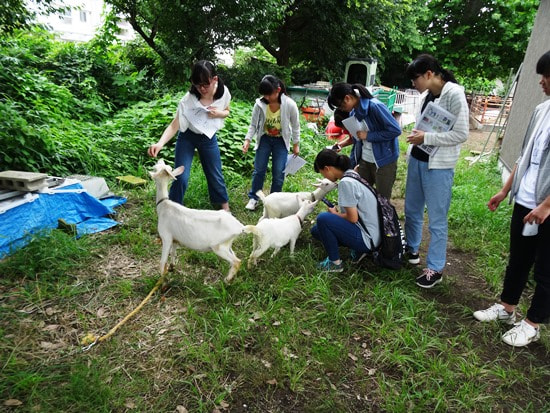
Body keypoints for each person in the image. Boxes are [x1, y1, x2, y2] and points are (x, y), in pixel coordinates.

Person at [473, 50, 550, 347]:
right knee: (518, 258)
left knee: (546, 267)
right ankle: (507, 308)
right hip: (525, 199)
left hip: (547, 208)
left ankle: (532, 324)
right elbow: (524, 155)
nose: (541, 81)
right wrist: (506, 189)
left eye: (546, 76)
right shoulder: (541, 110)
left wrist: (546, 206)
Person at [403, 54, 469, 288]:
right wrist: (418, 136)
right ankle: (411, 250)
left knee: (437, 220)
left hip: (439, 167)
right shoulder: (428, 96)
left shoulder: (454, 93)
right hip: (418, 160)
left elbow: (461, 134)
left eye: (416, 79)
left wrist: (426, 137)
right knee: (412, 210)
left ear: (429, 74)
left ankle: (435, 268)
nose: (414, 84)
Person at [148, 60, 231, 211]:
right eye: (197, 85)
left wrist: (219, 113)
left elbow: (227, 110)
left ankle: (225, 210)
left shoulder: (223, 93)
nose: (202, 89)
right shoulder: (188, 100)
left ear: (215, 79)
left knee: (215, 174)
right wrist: (160, 143)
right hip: (187, 137)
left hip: (208, 137)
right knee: (180, 176)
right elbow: (175, 125)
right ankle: (172, 209)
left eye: (205, 84)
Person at [326, 82, 401, 200]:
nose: (341, 109)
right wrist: (343, 145)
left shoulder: (375, 107)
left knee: (382, 200)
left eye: (341, 106)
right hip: (364, 160)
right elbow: (357, 137)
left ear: (347, 98)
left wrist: (369, 136)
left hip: (384, 162)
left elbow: (395, 130)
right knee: (363, 197)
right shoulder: (353, 112)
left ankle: (384, 219)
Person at [310, 149, 381, 272]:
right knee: (316, 231)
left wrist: (335, 214)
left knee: (323, 219)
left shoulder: (345, 183)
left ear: (327, 168)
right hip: (374, 233)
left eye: (323, 174)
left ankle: (335, 263)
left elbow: (352, 218)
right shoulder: (352, 174)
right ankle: (357, 250)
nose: (325, 177)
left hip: (368, 238)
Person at [242, 75, 300, 211]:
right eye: (264, 95)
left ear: (278, 90)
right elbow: (253, 125)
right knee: (259, 169)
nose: (266, 98)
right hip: (265, 139)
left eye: (269, 94)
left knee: (279, 172)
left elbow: (296, 126)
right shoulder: (260, 104)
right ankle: (254, 198)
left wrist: (296, 144)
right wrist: (247, 140)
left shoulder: (290, 104)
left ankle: (274, 200)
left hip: (281, 140)